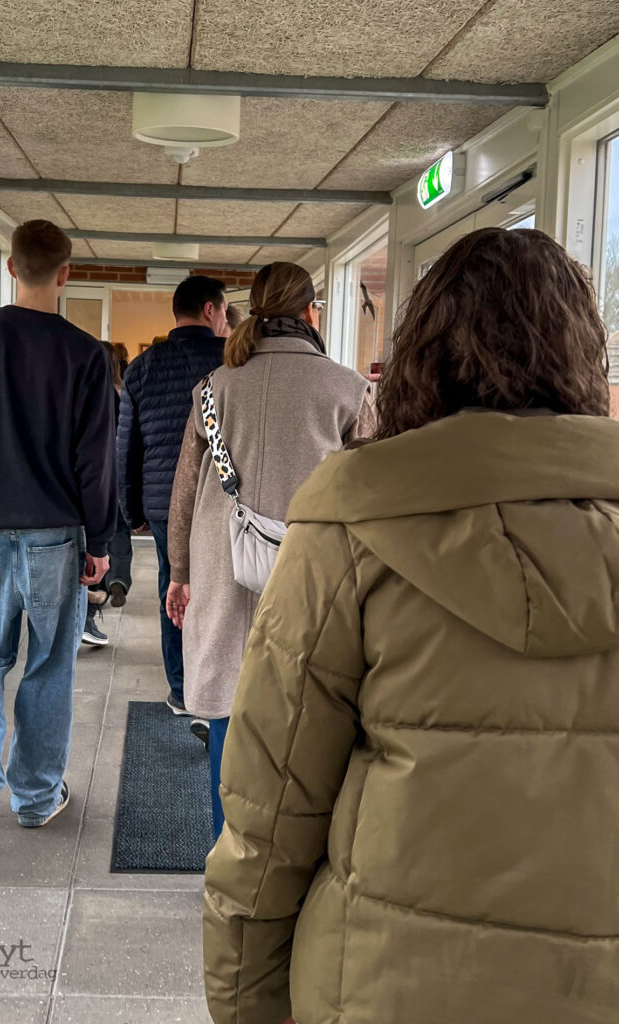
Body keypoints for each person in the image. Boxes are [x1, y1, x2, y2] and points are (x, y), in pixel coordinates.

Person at [202, 227, 619, 1024]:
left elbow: (270, 814)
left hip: (381, 983)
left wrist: (244, 1005)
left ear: (423, 349)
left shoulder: (353, 522)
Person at [165, 261, 374, 834]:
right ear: (310, 312)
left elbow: (184, 491)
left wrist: (179, 571)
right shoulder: (348, 389)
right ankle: (294, 855)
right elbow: (373, 492)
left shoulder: (213, 389)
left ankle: (224, 845)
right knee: (310, 710)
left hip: (222, 560)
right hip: (313, 566)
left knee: (229, 710)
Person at [0, 219, 116, 855]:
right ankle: (37, 797)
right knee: (47, 662)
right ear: (65, 275)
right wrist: (100, 539)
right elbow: (94, 459)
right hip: (54, 533)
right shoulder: (87, 354)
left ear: (11, 268)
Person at [117, 276, 227, 720]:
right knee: (220, 593)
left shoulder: (141, 367)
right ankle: (217, 686)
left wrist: (132, 510)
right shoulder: (232, 364)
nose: (223, 321)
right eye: (222, 312)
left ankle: (181, 689)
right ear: (208, 310)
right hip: (222, 500)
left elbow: (126, 448)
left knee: (173, 588)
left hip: (163, 504)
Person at [83, 341, 133, 646]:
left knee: (89, 543)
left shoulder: (77, 395)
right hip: (113, 479)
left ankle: (92, 603)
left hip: (85, 486)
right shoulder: (119, 394)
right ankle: (116, 582)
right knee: (118, 534)